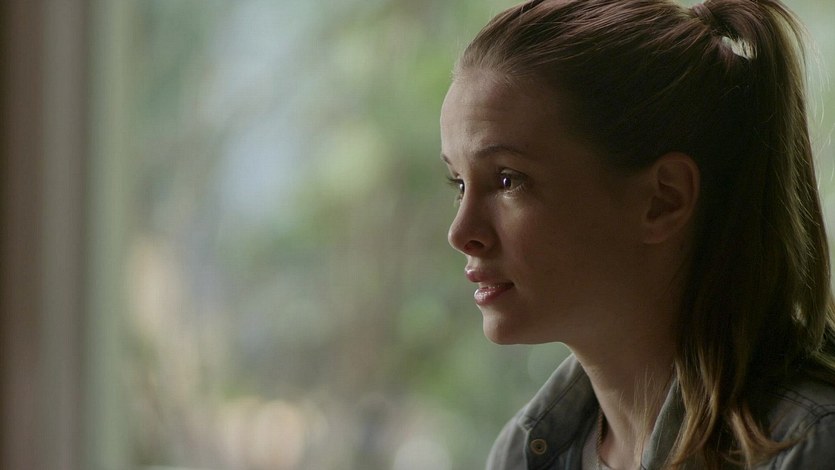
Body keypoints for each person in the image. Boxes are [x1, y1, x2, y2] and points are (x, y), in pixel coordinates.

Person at [439, 0, 835, 468]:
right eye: (458, 184)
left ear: (663, 199)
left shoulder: (810, 447)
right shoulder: (520, 455)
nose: (461, 233)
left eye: (508, 180)